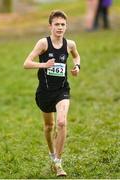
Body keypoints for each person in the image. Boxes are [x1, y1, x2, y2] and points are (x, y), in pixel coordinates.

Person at [23, 10, 80, 177]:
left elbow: (76, 57)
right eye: (57, 24)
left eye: (63, 24)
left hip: (62, 90)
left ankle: (58, 162)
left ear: (66, 26)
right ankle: (51, 153)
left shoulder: (70, 44)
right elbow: (26, 63)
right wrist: (44, 65)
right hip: (45, 93)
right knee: (49, 126)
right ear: (50, 26)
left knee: (61, 123)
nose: (60, 27)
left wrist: (77, 67)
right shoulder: (43, 43)